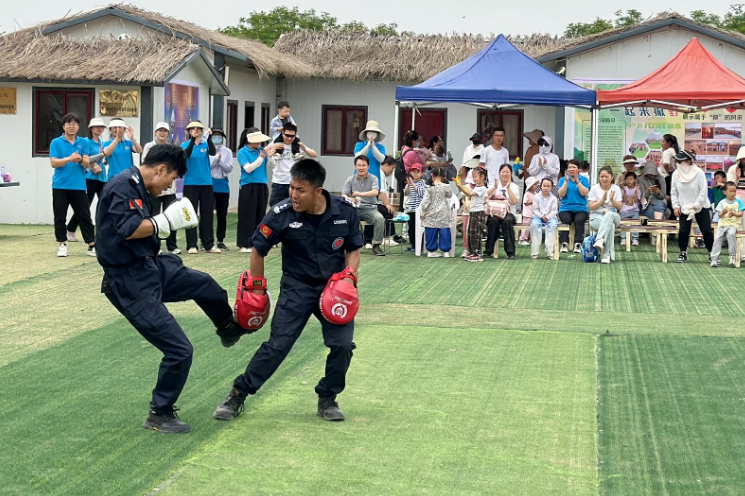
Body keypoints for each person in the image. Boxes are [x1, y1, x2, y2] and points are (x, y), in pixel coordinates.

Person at [96, 144, 248, 433]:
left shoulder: (140, 186)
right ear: (160, 169)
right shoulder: (122, 186)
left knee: (203, 283)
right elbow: (129, 229)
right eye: (172, 178)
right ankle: (160, 413)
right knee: (180, 350)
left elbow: (145, 228)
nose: (170, 185)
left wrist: (160, 225)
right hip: (128, 281)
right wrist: (164, 221)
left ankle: (227, 327)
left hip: (150, 266)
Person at [212, 159, 362, 423]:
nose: (293, 194)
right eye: (292, 187)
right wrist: (257, 288)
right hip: (297, 288)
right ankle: (238, 393)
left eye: (300, 190)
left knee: (342, 345)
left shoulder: (345, 211)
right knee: (279, 345)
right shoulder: (282, 213)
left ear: (318, 191)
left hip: (333, 288)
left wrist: (349, 278)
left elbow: (353, 248)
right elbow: (259, 248)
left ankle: (328, 397)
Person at [49, 113, 96, 258]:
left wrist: (80, 159)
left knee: (85, 216)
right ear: (63, 126)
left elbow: (88, 162)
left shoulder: (84, 142)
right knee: (60, 216)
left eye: (74, 124)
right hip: (60, 185)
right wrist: (70, 158)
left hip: (79, 186)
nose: (71, 126)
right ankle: (62, 244)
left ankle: (91, 245)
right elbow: (53, 163)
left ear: (78, 127)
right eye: (68, 124)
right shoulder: (56, 142)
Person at [180, 120, 220, 254]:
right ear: (189, 131)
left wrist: (208, 138)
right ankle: (191, 244)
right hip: (190, 184)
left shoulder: (205, 144)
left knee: (207, 214)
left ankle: (208, 244)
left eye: (198, 128)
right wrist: (192, 139)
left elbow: (213, 152)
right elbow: (187, 154)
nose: (195, 130)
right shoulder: (185, 144)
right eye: (192, 128)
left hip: (206, 184)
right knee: (190, 214)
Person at [66, 118, 107, 243]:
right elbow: (86, 158)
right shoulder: (86, 141)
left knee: (104, 203)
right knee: (84, 206)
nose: (99, 129)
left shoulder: (101, 142)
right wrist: (93, 164)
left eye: (101, 127)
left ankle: (101, 231)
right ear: (91, 128)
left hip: (101, 176)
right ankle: (70, 229)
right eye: (96, 127)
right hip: (89, 177)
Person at [142, 122, 180, 254]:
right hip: (154, 187)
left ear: (168, 134)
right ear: (155, 132)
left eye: (165, 131)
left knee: (172, 216)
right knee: (154, 217)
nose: (162, 133)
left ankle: (172, 245)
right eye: (160, 130)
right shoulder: (149, 146)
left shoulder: (171, 148)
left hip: (170, 189)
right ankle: (154, 246)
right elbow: (146, 163)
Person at [671, 149, 713, 263]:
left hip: (701, 206)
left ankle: (712, 254)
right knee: (684, 230)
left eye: (682, 161)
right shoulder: (675, 174)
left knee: (706, 230)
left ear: (689, 161)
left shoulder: (699, 173)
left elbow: (703, 191)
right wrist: (675, 206)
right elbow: (674, 192)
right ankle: (683, 253)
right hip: (684, 207)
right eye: (678, 162)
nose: (679, 164)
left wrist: (696, 204)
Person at [342, 156, 386, 256]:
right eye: (359, 165)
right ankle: (346, 244)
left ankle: (376, 245)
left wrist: (360, 194)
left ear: (368, 167)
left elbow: (375, 192)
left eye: (363, 165)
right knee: (343, 219)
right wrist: (349, 198)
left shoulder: (373, 178)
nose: (361, 168)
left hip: (369, 208)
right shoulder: (350, 179)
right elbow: (344, 194)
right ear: (355, 167)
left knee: (380, 219)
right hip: (354, 208)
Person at [236, 128, 270, 253]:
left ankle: (257, 242)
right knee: (247, 215)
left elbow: (272, 165)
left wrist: (270, 156)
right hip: (248, 186)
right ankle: (244, 243)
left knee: (260, 215)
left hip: (261, 185)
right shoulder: (242, 152)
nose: (260, 143)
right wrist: (261, 158)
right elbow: (248, 169)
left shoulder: (262, 151)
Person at [268, 123, 318, 206]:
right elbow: (264, 153)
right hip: (278, 182)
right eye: (287, 135)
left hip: (294, 182)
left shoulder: (297, 144)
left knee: (294, 207)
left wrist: (304, 149)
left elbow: (314, 155)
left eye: (292, 136)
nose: (289, 138)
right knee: (275, 207)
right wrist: (271, 152)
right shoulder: (276, 143)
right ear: (282, 133)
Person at [455, 167, 495, 262]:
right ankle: (472, 252)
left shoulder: (481, 188)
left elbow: (469, 194)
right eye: (473, 177)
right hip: (474, 212)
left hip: (478, 212)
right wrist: (460, 186)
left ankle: (476, 253)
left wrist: (460, 186)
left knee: (475, 233)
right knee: (471, 232)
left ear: (482, 177)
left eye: (475, 176)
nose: (474, 179)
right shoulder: (478, 187)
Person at [588, 166, 623, 264]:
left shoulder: (616, 188)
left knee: (610, 213)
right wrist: (602, 200)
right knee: (610, 226)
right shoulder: (594, 188)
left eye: (606, 176)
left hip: (614, 216)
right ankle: (606, 256)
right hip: (596, 217)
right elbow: (591, 207)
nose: (604, 179)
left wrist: (612, 200)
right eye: (602, 176)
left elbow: (619, 207)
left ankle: (599, 239)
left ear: (611, 177)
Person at [484, 164, 520, 259]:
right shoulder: (495, 185)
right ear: (499, 173)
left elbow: (514, 201)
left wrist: (508, 188)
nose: (505, 174)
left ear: (511, 174)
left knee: (507, 222)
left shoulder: (514, 187)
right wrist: (494, 188)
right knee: (493, 221)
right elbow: (485, 197)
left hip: (509, 213)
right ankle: (488, 251)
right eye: (503, 172)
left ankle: (510, 252)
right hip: (495, 213)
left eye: (507, 172)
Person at [209, 128, 234, 251]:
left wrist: (220, 161)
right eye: (214, 136)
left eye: (219, 136)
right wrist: (215, 159)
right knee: (207, 213)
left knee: (222, 214)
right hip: (209, 182)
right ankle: (206, 240)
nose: (217, 138)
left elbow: (229, 169)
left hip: (223, 184)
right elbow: (207, 166)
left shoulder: (227, 151)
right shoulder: (207, 149)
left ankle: (220, 239)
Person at [557, 159, 590, 253]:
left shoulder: (584, 179)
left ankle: (578, 243)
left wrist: (577, 181)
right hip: (566, 208)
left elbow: (584, 193)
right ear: (567, 169)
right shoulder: (563, 179)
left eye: (574, 167)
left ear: (578, 169)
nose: (572, 169)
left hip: (581, 208)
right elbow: (561, 194)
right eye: (570, 167)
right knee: (566, 219)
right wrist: (566, 182)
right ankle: (564, 243)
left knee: (579, 220)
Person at [420, 166, 453, 257]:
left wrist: (424, 211)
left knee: (431, 230)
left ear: (432, 175)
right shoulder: (446, 187)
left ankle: (431, 250)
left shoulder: (429, 188)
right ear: (443, 176)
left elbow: (425, 201)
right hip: (443, 211)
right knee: (444, 230)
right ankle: (446, 251)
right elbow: (449, 195)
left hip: (431, 212)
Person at [710, 181, 744, 267]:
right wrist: (723, 212)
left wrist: (734, 214)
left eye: (734, 191)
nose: (733, 193)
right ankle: (714, 259)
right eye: (731, 191)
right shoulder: (722, 202)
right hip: (722, 225)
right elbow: (719, 215)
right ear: (725, 192)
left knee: (731, 234)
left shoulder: (738, 202)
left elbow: (741, 214)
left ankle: (732, 256)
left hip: (733, 225)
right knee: (717, 239)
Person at [530, 178, 559, 259]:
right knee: (535, 225)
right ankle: (535, 252)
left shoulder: (553, 198)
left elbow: (554, 211)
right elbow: (535, 209)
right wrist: (542, 216)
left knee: (553, 225)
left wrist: (548, 217)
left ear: (552, 187)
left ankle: (550, 251)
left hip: (550, 217)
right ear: (541, 186)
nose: (546, 188)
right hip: (538, 217)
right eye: (544, 186)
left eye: (548, 186)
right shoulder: (536, 197)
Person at [404, 163, 426, 252]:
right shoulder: (408, 184)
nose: (416, 174)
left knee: (420, 228)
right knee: (411, 228)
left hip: (419, 210)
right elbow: (406, 193)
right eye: (413, 172)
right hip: (410, 210)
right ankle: (413, 244)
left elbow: (421, 194)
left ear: (422, 174)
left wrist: (413, 183)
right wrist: (409, 184)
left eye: (418, 172)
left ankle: (420, 245)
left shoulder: (422, 183)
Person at [378, 156, 400, 245]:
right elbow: (381, 192)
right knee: (389, 211)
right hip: (375, 203)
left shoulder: (381, 174)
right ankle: (386, 238)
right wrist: (387, 205)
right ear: (387, 165)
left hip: (378, 202)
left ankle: (387, 237)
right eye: (392, 168)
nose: (392, 171)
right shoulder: (379, 174)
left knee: (389, 209)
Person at [619, 171, 642, 246]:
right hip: (624, 211)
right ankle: (623, 238)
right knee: (623, 224)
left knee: (635, 223)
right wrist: (625, 190)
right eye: (627, 179)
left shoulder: (637, 189)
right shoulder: (623, 189)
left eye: (631, 179)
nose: (629, 181)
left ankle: (635, 238)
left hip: (634, 210)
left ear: (635, 180)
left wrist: (635, 191)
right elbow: (623, 200)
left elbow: (635, 200)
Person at [519, 177, 538, 245]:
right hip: (527, 213)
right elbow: (526, 202)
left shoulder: (536, 194)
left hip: (533, 213)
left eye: (536, 184)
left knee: (531, 226)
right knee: (525, 226)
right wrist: (533, 201)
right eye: (534, 184)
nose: (536, 186)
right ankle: (522, 239)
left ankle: (529, 238)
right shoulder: (527, 193)